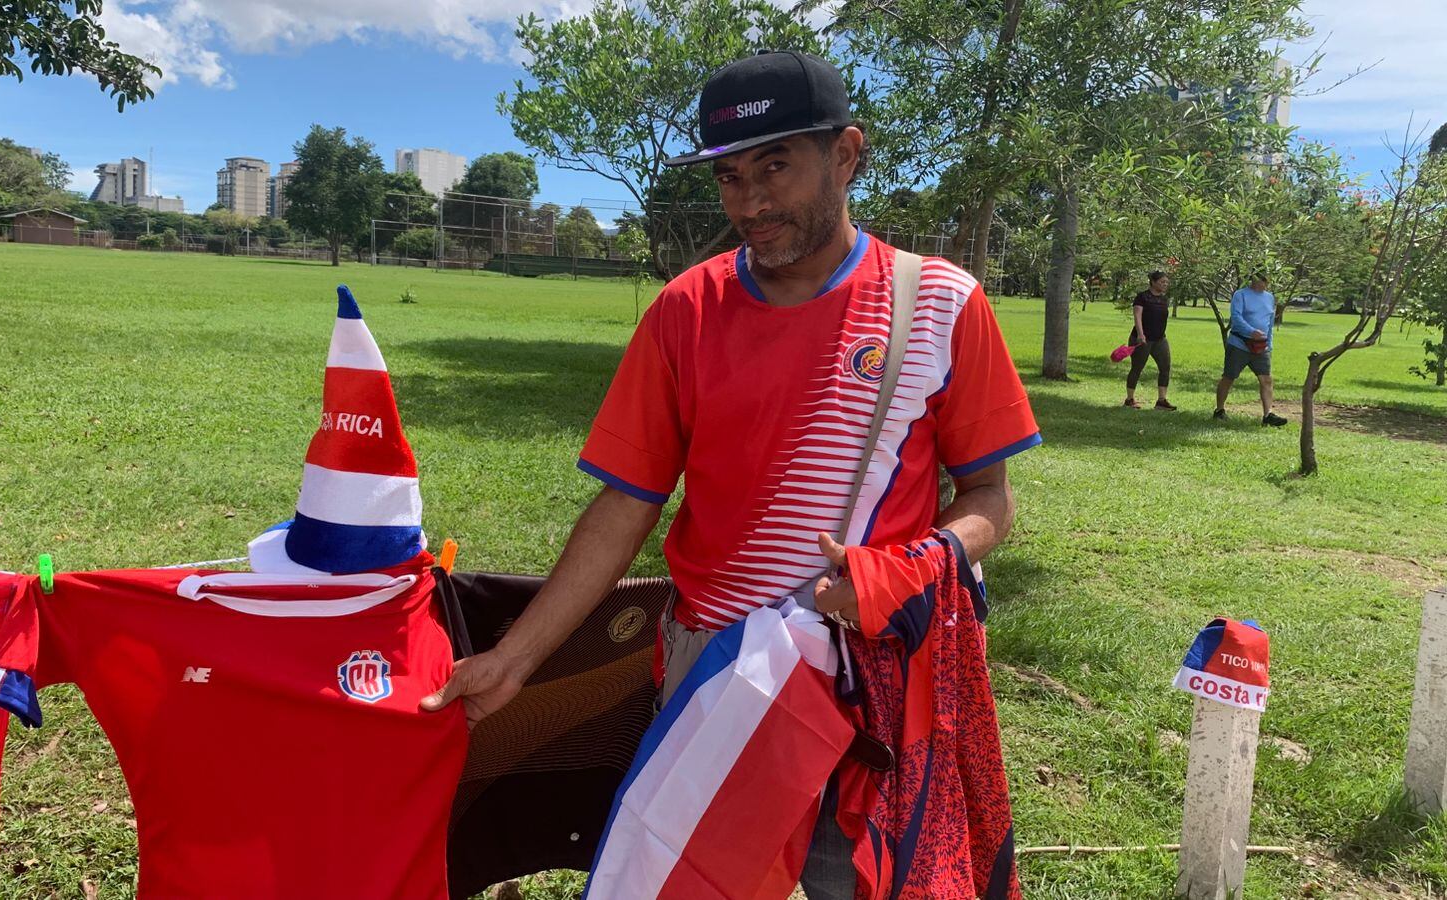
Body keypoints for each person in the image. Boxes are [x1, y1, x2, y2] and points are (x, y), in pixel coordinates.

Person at [420, 50, 1039, 897]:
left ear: (847, 154)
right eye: (730, 176)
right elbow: (626, 504)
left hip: (870, 676)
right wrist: (516, 660)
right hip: (709, 673)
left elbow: (991, 500)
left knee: (851, 879)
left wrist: (907, 572)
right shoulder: (685, 309)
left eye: (776, 167)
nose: (750, 201)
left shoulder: (940, 304)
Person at [1215, 272, 1287, 426]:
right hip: (1239, 344)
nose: (1264, 283)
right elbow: (1236, 317)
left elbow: (1269, 322)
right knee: (1229, 377)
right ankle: (1219, 410)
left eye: (1266, 280)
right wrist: (1250, 331)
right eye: (1261, 280)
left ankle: (1268, 415)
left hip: (1261, 346)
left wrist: (1269, 343)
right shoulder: (1240, 295)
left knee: (1266, 379)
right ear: (1253, 280)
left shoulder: (1269, 298)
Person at [1125, 271, 1175, 410]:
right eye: (1162, 282)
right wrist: (1141, 335)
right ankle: (1129, 399)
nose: (1165, 284)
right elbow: (1137, 316)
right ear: (1153, 282)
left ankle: (1161, 401)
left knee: (1165, 368)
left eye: (1166, 282)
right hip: (1142, 339)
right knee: (1137, 368)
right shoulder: (1142, 297)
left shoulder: (1164, 299)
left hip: (1160, 339)